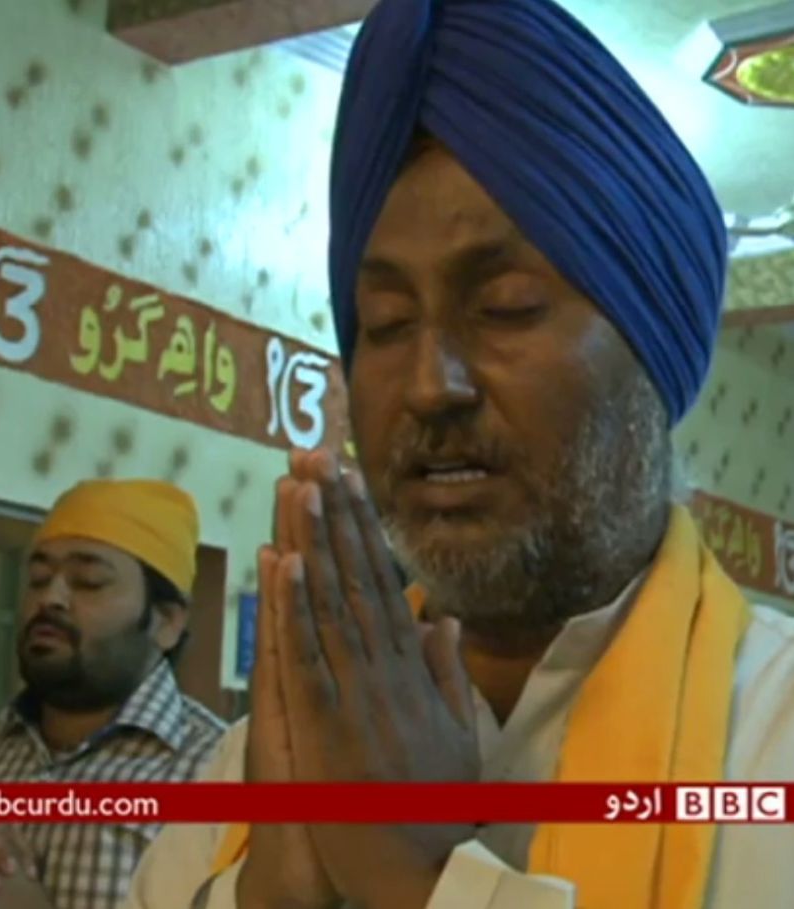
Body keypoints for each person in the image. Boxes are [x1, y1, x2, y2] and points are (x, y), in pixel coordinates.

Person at [123, 0, 794, 907]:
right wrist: (271, 892)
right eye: (385, 322)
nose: (429, 384)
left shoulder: (771, 729)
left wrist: (417, 876)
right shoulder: (263, 766)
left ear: (651, 351)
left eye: (505, 306)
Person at [0, 478, 225, 909]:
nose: (50, 598)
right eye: (39, 578)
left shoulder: (223, 775)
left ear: (167, 622)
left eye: (88, 581)